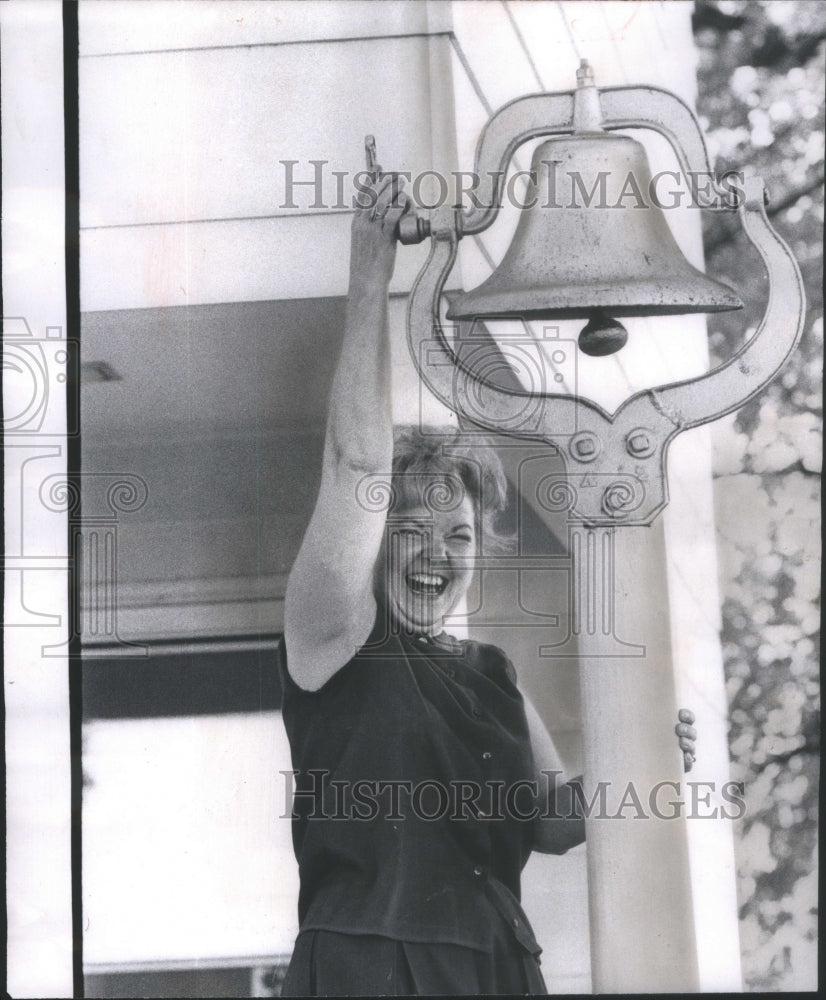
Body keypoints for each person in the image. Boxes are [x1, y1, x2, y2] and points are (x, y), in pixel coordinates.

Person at [279, 171, 697, 996]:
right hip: (371, 968)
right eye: (410, 530)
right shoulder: (331, 634)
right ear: (370, 544)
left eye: (459, 536)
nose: (436, 554)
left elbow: (553, 821)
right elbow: (356, 464)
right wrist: (371, 275)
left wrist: (648, 757)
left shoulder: (490, 673)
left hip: (498, 968)